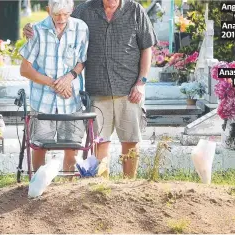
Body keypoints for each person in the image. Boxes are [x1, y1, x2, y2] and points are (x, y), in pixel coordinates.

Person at [24, 0, 157, 177]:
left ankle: (129, 187)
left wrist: (141, 83)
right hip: (97, 89)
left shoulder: (135, 10)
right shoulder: (85, 10)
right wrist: (29, 27)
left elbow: (147, 47)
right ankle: (102, 189)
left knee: (130, 141)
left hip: (129, 88)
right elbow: (59, 18)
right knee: (99, 142)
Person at [19, 0, 89, 174]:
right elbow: (25, 69)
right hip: (43, 101)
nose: (61, 18)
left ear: (72, 10)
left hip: (71, 101)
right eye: (57, 14)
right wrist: (55, 84)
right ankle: (38, 186)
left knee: (72, 149)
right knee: (39, 147)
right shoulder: (37, 31)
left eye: (66, 14)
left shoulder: (81, 28)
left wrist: (68, 78)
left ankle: (66, 192)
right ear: (48, 10)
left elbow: (82, 61)